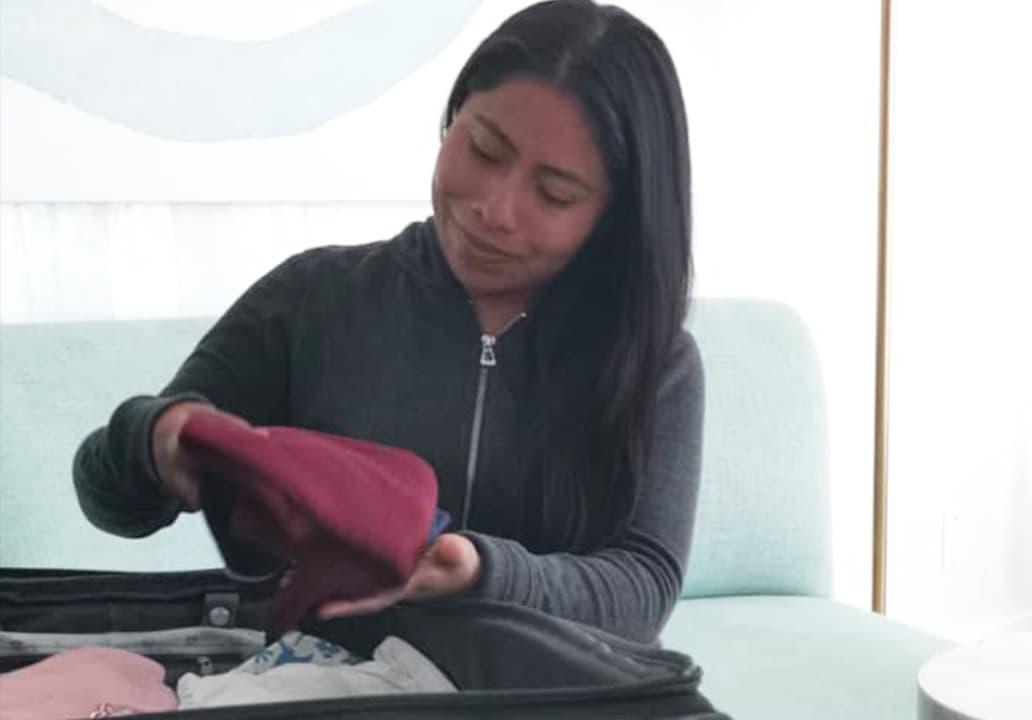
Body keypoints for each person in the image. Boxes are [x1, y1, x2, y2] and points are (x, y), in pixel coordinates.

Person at [72, 0, 701, 645]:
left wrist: (482, 573)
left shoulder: (653, 359)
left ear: (614, 215)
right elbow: (108, 501)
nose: (495, 210)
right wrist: (151, 440)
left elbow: (643, 587)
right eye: (485, 150)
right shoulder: (314, 298)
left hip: (560, 691)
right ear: (452, 118)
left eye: (555, 193)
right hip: (327, 684)